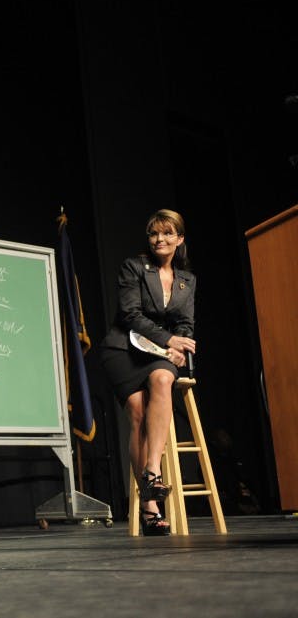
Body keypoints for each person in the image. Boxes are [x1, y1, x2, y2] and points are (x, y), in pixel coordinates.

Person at [99, 209, 196, 536]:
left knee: (163, 377)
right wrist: (169, 339)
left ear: (179, 239)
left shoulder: (187, 280)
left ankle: (151, 471)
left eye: (168, 234)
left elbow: (186, 324)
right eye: (155, 234)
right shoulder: (134, 267)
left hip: (158, 354)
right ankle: (150, 506)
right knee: (137, 413)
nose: (160, 240)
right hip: (123, 350)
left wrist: (179, 346)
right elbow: (130, 314)